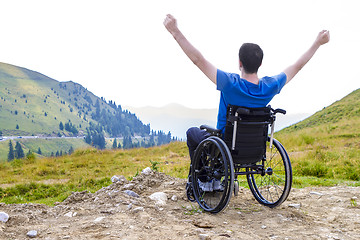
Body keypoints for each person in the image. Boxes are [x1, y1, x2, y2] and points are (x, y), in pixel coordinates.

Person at [163, 14, 330, 193]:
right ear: (260, 63)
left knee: (192, 133)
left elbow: (198, 60)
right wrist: (317, 43)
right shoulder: (269, 86)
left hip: (225, 144)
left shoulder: (229, 83)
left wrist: (175, 31)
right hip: (253, 148)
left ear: (239, 62)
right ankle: (217, 180)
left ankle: (205, 181)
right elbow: (297, 66)